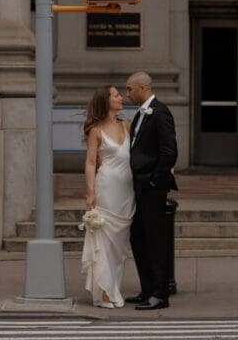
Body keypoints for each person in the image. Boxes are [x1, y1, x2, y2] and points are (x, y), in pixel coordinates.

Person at [125, 71, 178, 311]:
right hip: (138, 187)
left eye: (130, 89)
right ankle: (147, 289)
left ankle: (160, 294)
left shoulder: (160, 112)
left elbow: (169, 151)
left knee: (155, 240)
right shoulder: (140, 114)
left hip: (152, 187)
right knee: (139, 237)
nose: (127, 94)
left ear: (143, 88)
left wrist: (155, 180)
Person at [81, 85, 135, 309]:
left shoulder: (127, 124)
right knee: (104, 240)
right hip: (106, 188)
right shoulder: (96, 130)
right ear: (106, 100)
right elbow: (91, 162)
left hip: (127, 190)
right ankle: (103, 292)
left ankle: (113, 287)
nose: (121, 98)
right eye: (116, 95)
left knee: (120, 244)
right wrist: (91, 191)